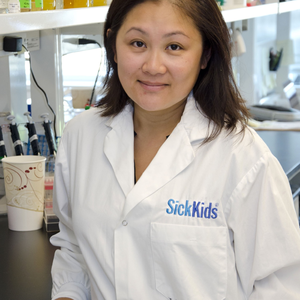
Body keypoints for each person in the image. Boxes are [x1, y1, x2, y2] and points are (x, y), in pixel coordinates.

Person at [50, 0, 300, 299]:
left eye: (175, 47)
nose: (153, 66)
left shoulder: (244, 159)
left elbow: (281, 288)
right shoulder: (81, 136)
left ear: (205, 55)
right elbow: (75, 247)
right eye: (137, 43)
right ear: (113, 46)